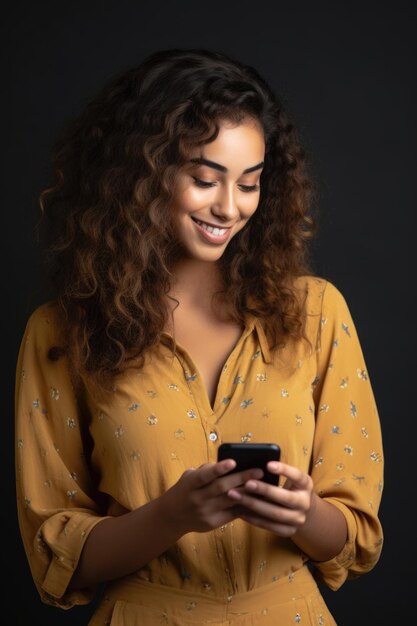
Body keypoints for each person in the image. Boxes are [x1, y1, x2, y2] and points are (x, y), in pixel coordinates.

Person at [14, 48, 384, 626]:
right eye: (205, 179)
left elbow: (355, 538)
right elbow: (57, 557)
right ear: (141, 173)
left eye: (250, 184)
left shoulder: (316, 313)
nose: (229, 207)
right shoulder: (62, 331)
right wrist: (172, 515)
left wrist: (302, 512)